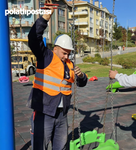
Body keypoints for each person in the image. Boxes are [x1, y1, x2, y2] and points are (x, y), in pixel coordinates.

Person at [26, 1, 88, 149]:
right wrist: (44, 19)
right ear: (55, 49)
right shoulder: (46, 56)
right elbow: (34, 38)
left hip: (62, 114)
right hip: (44, 112)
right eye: (64, 52)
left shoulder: (70, 65)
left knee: (60, 147)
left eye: (69, 53)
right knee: (40, 146)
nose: (66, 56)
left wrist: (82, 76)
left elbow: (80, 83)